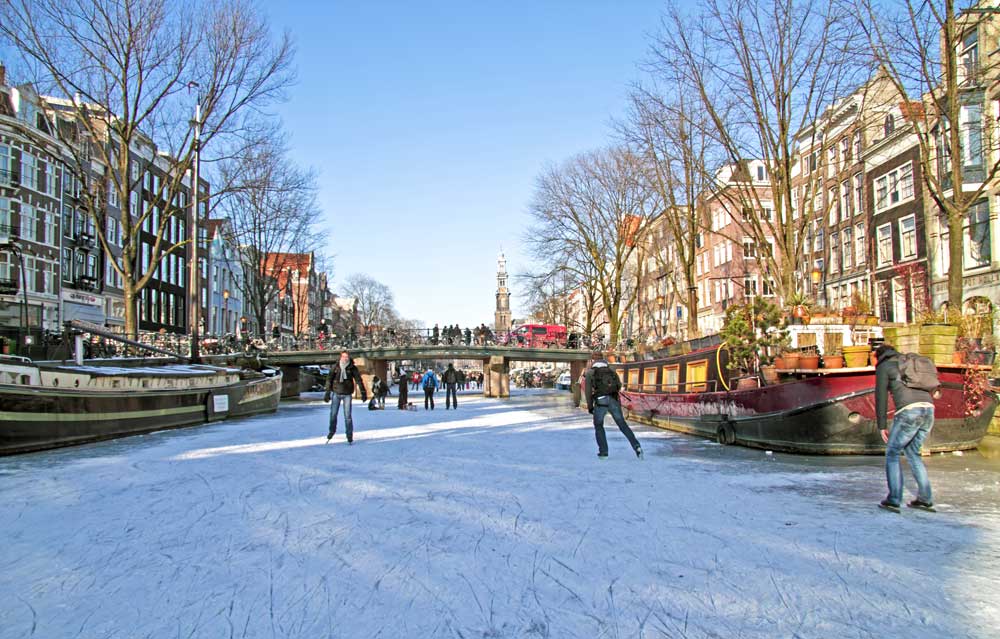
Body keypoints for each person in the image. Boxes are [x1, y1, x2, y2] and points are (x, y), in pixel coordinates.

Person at [875, 344, 936, 512]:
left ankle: (894, 499)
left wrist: (881, 426)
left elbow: (880, 396)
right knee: (913, 453)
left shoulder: (884, 366)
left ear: (878, 356)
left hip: (909, 411)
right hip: (929, 409)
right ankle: (925, 498)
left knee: (892, 453)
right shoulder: (910, 363)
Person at [585, 358, 642, 459]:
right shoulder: (612, 371)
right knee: (622, 425)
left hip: (600, 401)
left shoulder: (590, 373)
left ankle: (603, 452)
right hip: (613, 400)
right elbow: (619, 386)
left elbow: (588, 391)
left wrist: (590, 406)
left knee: (599, 425)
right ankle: (637, 447)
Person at [323, 351, 368, 444]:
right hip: (336, 393)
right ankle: (332, 431)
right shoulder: (336, 367)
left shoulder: (352, 368)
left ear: (348, 357)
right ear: (340, 357)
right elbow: (329, 379)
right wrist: (327, 392)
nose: (345, 358)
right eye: (343, 357)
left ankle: (349, 435)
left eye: (346, 357)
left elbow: (358, 380)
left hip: (347, 394)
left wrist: (363, 392)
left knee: (347, 416)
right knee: (333, 414)